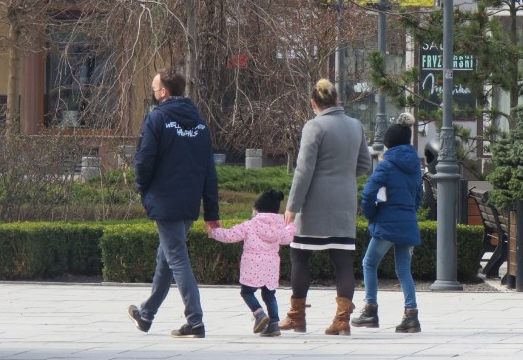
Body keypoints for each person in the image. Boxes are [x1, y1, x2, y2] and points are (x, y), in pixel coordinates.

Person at [127, 68, 220, 338]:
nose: (153, 93)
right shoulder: (200, 124)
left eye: (155, 89)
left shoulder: (156, 118)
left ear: (164, 92)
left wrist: (142, 189)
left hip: (165, 200)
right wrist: (211, 211)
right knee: (165, 258)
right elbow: (209, 171)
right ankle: (146, 315)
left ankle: (195, 320)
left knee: (176, 257)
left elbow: (144, 159)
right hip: (188, 201)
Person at [280, 79, 372, 336]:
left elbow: (304, 170)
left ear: (314, 103)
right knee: (342, 260)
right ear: (337, 100)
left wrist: (292, 206)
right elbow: (365, 164)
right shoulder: (355, 125)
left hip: (314, 204)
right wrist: (343, 175)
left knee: (299, 256)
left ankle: (297, 317)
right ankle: (342, 321)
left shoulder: (314, 126)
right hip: (345, 202)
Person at [352, 113, 423, 333]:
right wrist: (408, 212)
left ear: (388, 144)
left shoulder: (386, 164)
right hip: (407, 222)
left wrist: (371, 214)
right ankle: (411, 315)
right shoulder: (415, 166)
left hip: (387, 223)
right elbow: (418, 196)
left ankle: (370, 310)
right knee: (403, 269)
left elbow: (368, 192)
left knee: (369, 263)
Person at [207, 189, 295, 337]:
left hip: (252, 266)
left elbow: (230, 235)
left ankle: (259, 313)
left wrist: (213, 232)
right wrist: (291, 225)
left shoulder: (250, 224)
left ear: (257, 209)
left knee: (247, 292)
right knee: (269, 294)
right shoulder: (279, 226)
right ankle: (274, 324)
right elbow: (288, 238)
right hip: (271, 267)